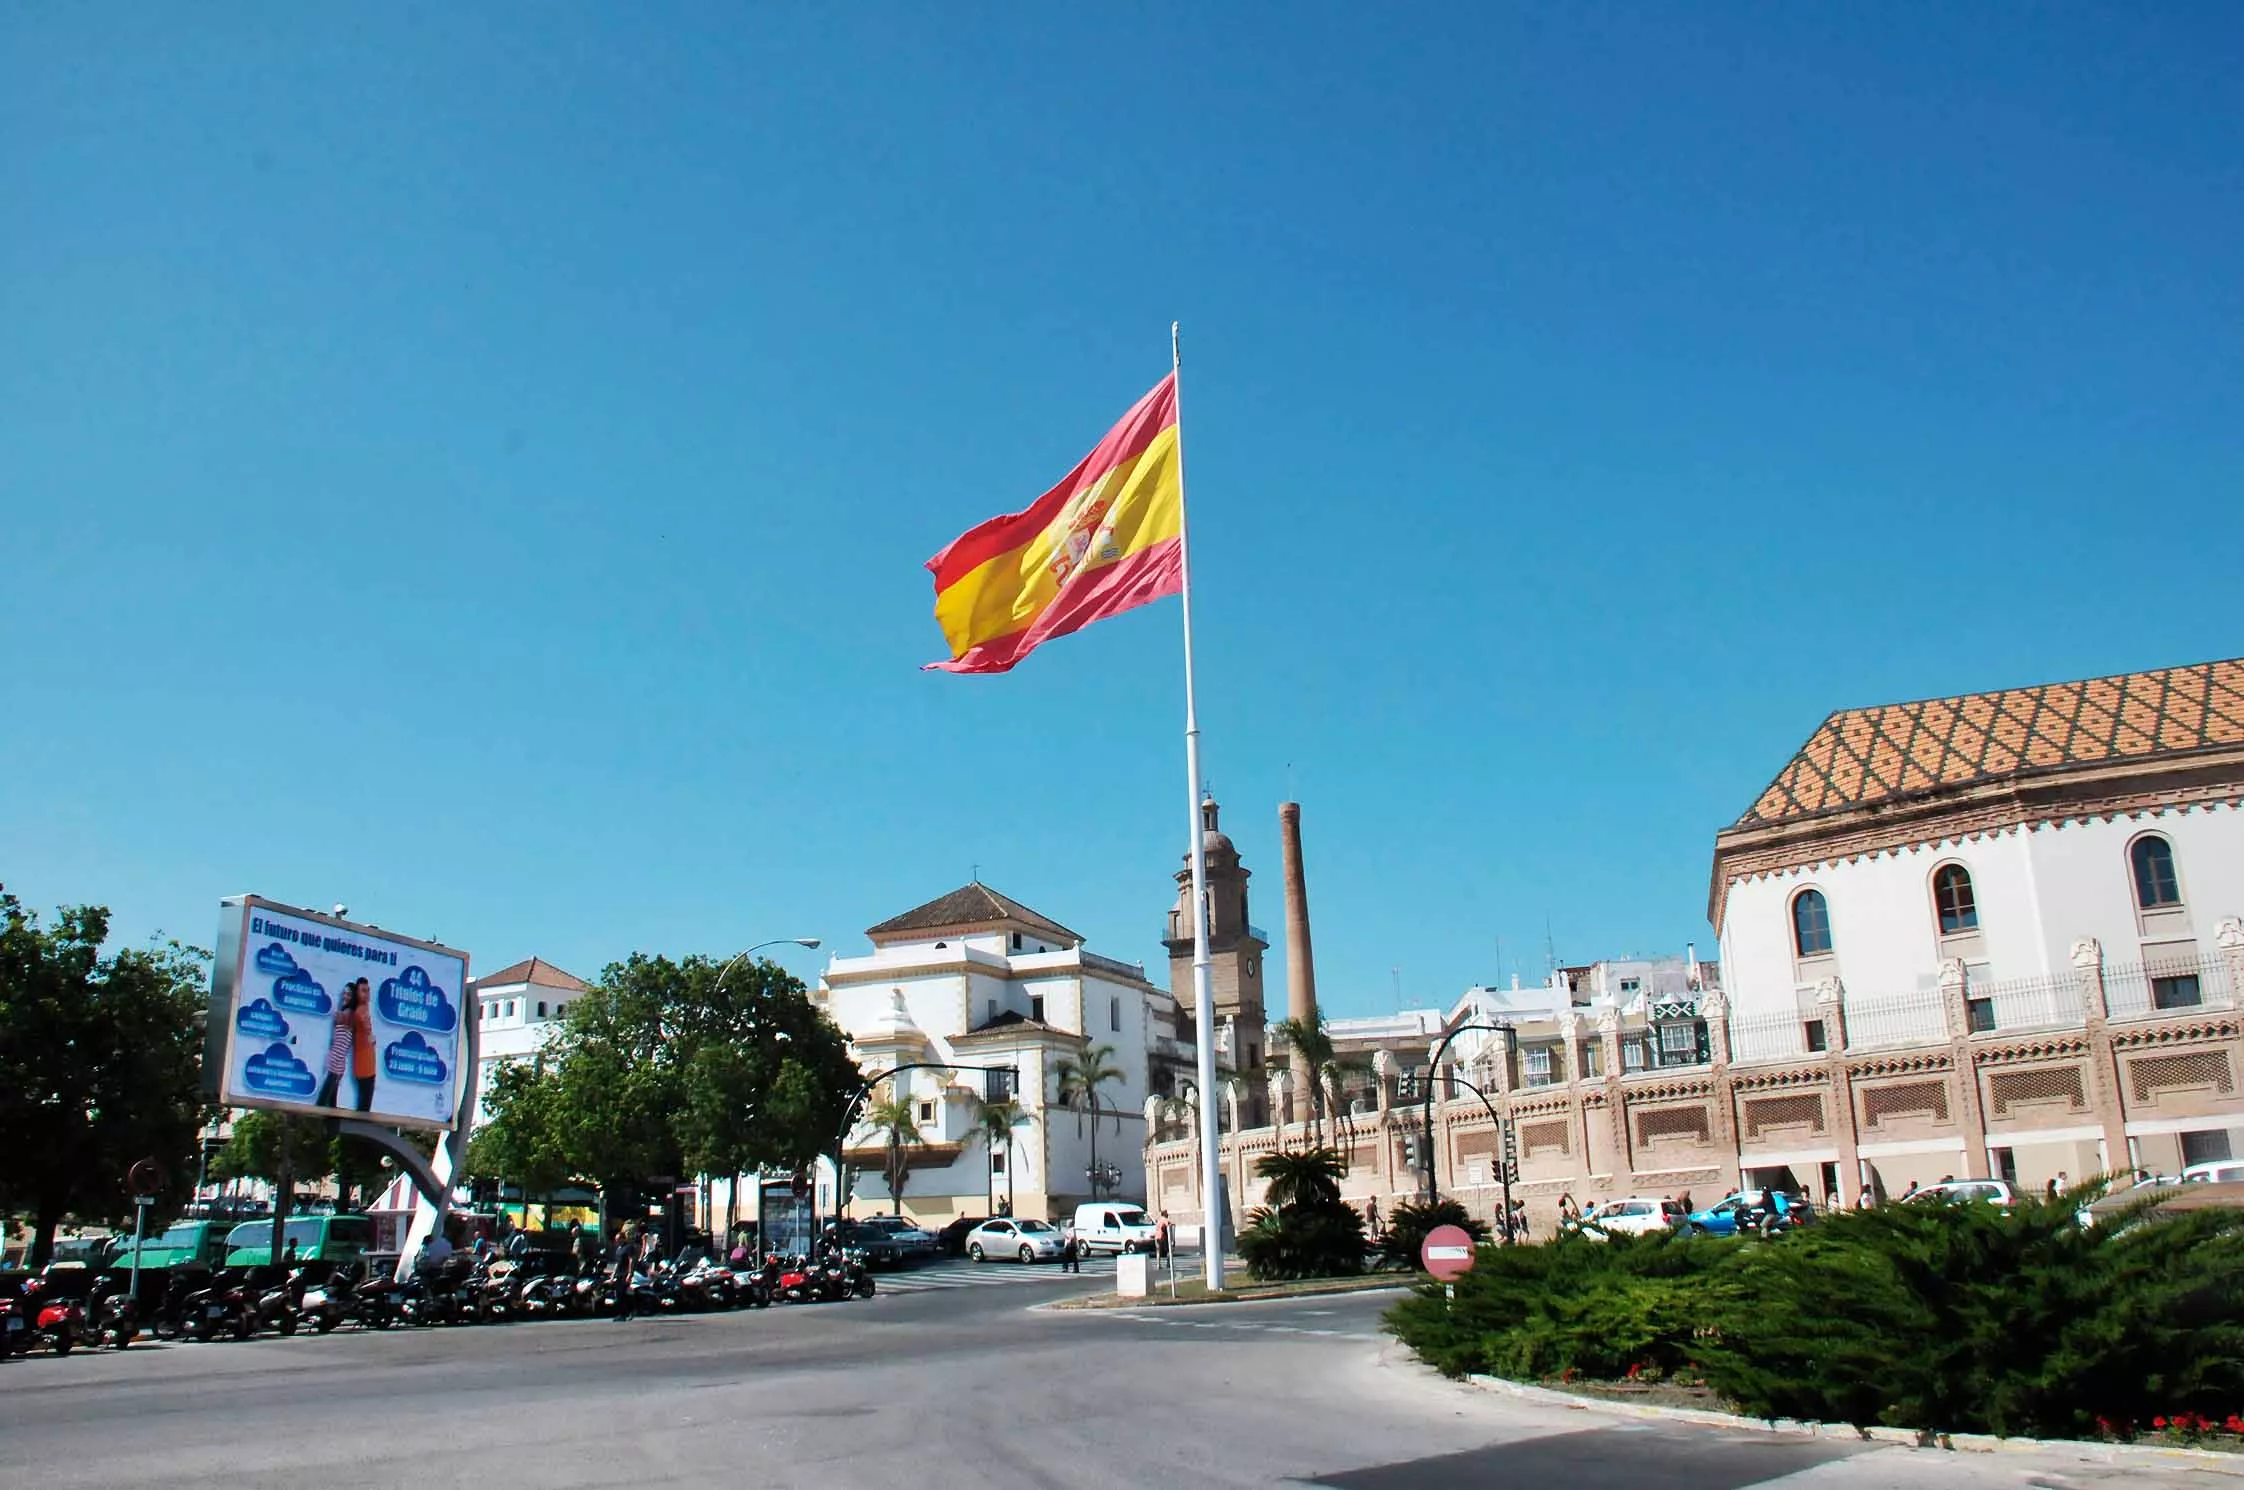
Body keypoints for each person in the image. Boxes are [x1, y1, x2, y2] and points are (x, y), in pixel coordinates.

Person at [316, 986, 359, 1110]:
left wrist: (332, 1063)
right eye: (344, 993)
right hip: (337, 1064)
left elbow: (341, 1045)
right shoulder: (348, 1015)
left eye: (349, 995)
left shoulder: (346, 1014)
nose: (345, 997)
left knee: (322, 1103)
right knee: (331, 1104)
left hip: (335, 1064)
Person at [349, 978, 378, 1112]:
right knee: (364, 1106)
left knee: (365, 1102)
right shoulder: (359, 1013)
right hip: (364, 1066)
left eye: (368, 991)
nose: (366, 994)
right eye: (363, 991)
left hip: (369, 1063)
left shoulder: (365, 1009)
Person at [610, 1227, 639, 1321]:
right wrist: (612, 1275)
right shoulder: (618, 1249)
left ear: (623, 1239)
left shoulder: (628, 1247)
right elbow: (617, 1263)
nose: (617, 1241)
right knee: (619, 1294)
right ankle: (628, 1311)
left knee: (623, 1294)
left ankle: (623, 1314)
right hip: (618, 1273)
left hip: (625, 1273)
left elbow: (631, 1260)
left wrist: (630, 1273)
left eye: (618, 1239)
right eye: (616, 1240)